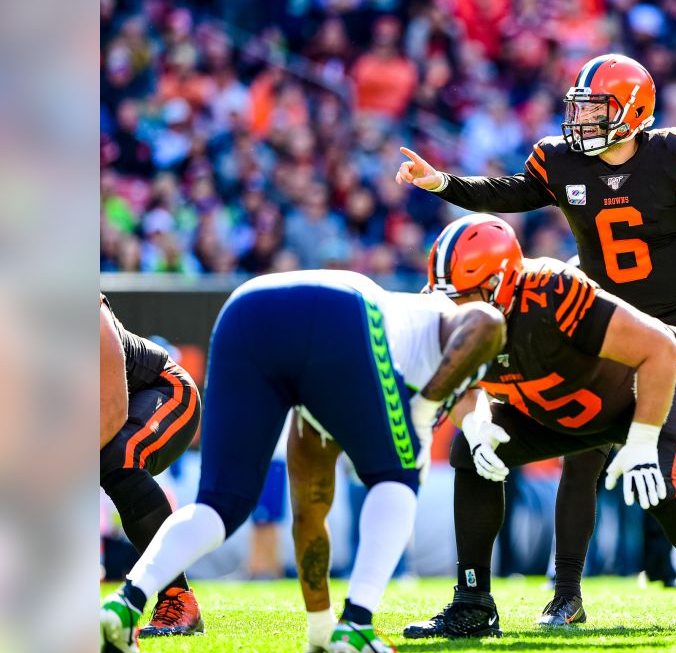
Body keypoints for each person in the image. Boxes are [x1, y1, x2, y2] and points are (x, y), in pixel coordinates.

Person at [395, 52, 676, 625]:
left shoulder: (675, 155)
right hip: (602, 330)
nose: (582, 122)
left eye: (596, 109)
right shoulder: (560, 162)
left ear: (634, 110)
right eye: (579, 109)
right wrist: (442, 183)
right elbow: (508, 193)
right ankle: (566, 594)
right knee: (581, 459)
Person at [402, 214, 676, 643]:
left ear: (502, 282)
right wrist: (475, 422)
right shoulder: (449, 308)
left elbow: (660, 349)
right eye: (449, 298)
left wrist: (644, 439)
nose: (455, 310)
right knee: (471, 453)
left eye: (467, 296)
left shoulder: (552, 291)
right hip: (562, 407)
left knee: (655, 484)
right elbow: (461, 380)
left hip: (641, 390)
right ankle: (473, 603)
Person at [99, 270, 504, 653]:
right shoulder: (446, 319)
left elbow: (310, 513)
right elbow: (487, 323)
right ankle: (359, 623)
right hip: (341, 314)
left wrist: (320, 629)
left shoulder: (345, 384)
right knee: (397, 474)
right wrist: (429, 406)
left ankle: (126, 601)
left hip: (245, 309)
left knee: (222, 505)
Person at [99, 294, 204, 637]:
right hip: (111, 413)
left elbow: (113, 409)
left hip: (169, 392)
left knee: (118, 457)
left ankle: (178, 597)